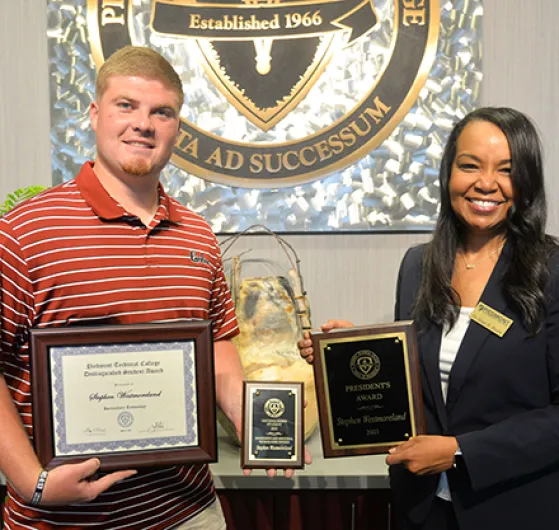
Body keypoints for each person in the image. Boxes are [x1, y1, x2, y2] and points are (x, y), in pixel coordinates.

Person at [0, 46, 308, 530]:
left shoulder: (198, 234)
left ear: (176, 128)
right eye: (126, 105)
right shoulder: (26, 230)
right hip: (64, 519)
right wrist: (30, 481)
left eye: (161, 112)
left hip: (187, 512)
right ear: (96, 113)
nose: (143, 123)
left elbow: (218, 342)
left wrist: (254, 419)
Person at [299, 107, 559, 529]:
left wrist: (459, 451)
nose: (486, 184)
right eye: (469, 165)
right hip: (423, 508)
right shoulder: (418, 265)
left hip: (513, 507)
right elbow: (417, 386)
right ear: (448, 173)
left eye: (506, 170)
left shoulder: (552, 269)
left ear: (526, 181)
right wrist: (354, 355)